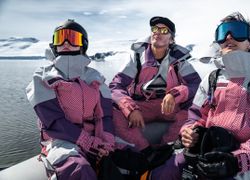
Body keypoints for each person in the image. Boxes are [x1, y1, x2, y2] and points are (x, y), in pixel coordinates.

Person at [150, 12, 250, 179]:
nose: (229, 37)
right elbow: (195, 117)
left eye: (238, 32)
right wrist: (189, 131)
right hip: (210, 146)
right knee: (164, 171)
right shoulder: (212, 78)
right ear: (218, 43)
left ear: (249, 43)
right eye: (223, 33)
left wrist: (237, 161)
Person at [26, 19, 116, 180]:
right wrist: (87, 142)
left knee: (121, 161)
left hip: (94, 139)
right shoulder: (42, 76)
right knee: (78, 168)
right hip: (60, 140)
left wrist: (106, 142)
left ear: (83, 44)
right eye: (60, 38)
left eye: (72, 38)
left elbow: (105, 115)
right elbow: (52, 120)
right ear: (54, 44)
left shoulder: (95, 77)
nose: (66, 42)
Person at [109, 16, 201, 155]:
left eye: (164, 30)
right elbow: (116, 86)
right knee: (113, 111)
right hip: (141, 105)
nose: (157, 32)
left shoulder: (179, 61)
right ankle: (144, 150)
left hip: (168, 106)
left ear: (171, 39)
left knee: (192, 111)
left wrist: (174, 94)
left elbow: (197, 86)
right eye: (154, 29)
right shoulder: (137, 58)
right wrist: (131, 108)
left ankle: (167, 148)